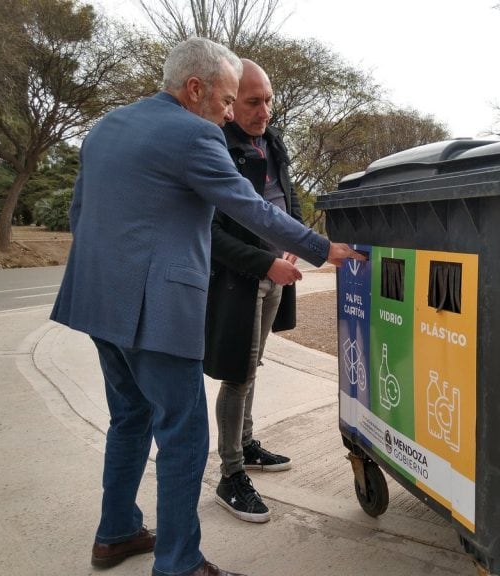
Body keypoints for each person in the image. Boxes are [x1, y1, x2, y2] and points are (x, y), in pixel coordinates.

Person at [50, 37, 363, 576]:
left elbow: (81, 212)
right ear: (194, 90)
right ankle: (179, 563)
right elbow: (248, 207)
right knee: (185, 432)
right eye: (224, 101)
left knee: (131, 416)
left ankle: (117, 532)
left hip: (97, 300)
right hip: (153, 310)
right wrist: (320, 247)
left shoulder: (106, 126)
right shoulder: (194, 133)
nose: (225, 115)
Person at [204, 59, 299, 523]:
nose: (264, 112)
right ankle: (230, 474)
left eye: (269, 101)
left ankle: (245, 442)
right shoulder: (214, 146)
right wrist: (266, 261)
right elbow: (210, 233)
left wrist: (295, 239)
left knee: (252, 368)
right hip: (238, 280)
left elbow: (287, 195)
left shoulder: (272, 140)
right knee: (236, 374)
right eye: (252, 102)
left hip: (277, 272)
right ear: (229, 103)